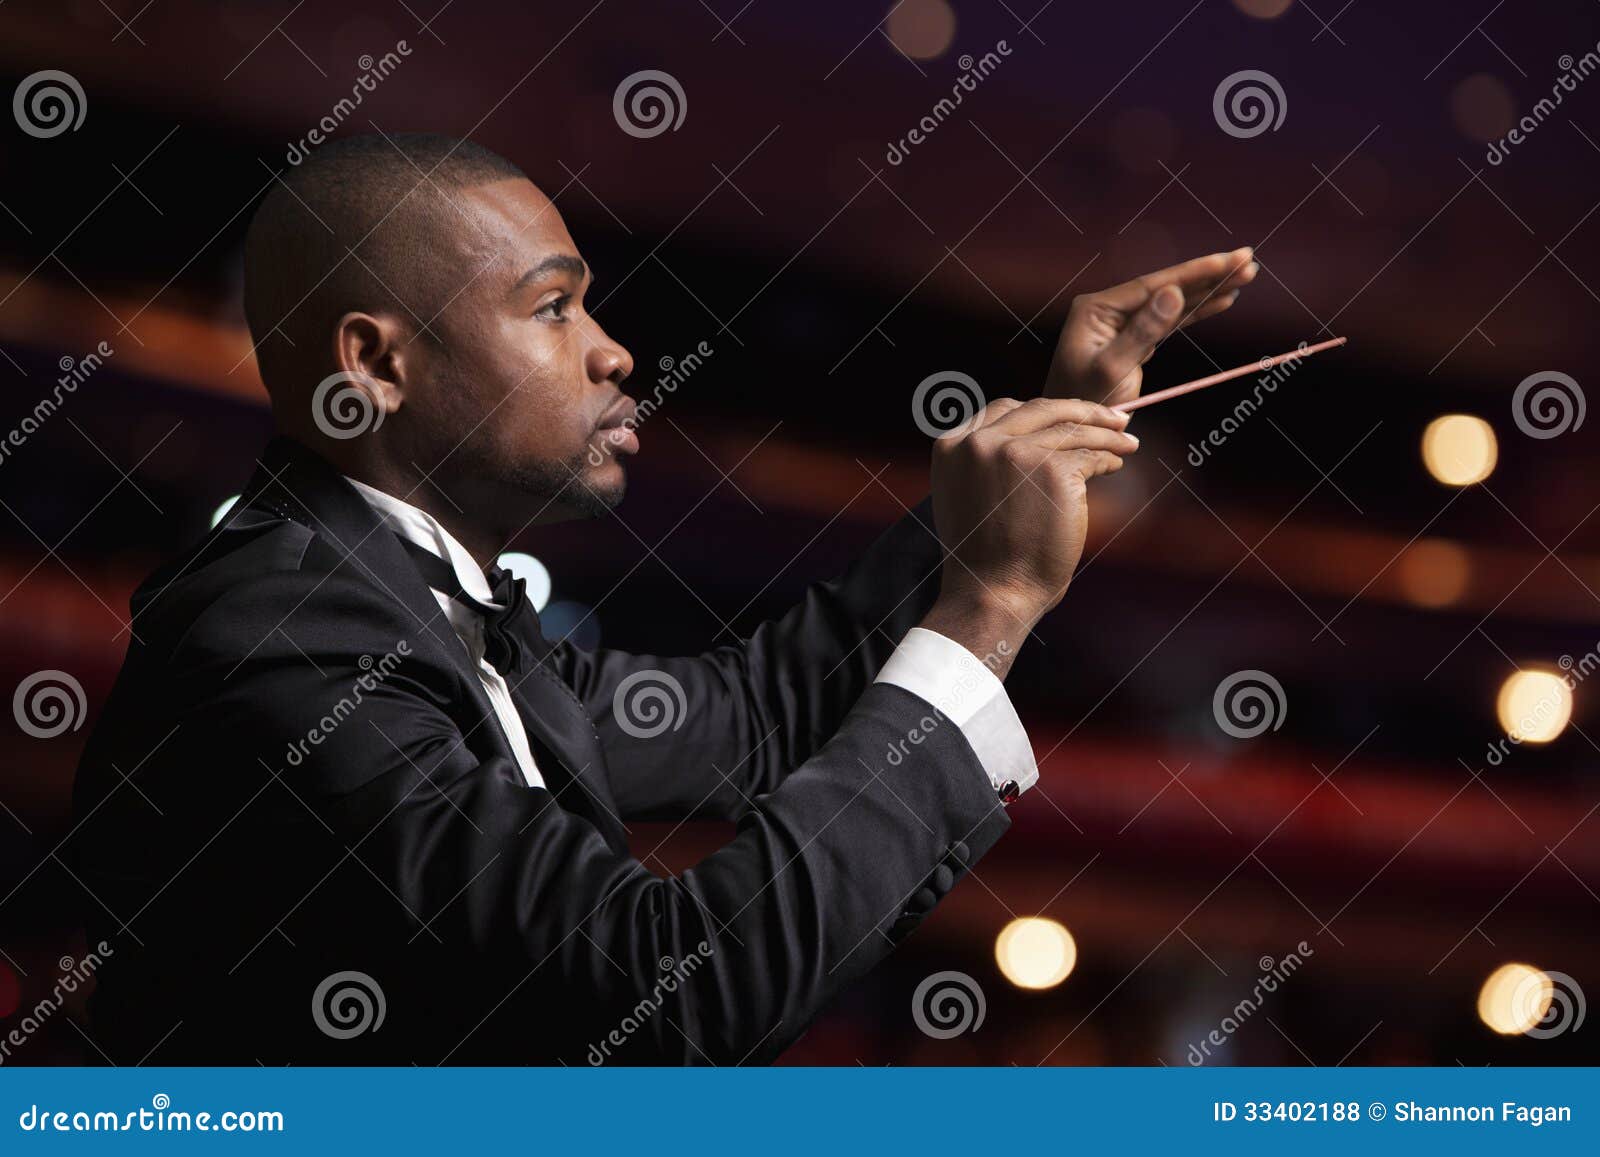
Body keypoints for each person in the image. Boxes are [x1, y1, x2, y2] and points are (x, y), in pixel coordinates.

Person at [71, 133, 1256, 1064]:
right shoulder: (281, 634)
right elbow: (664, 997)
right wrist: (985, 611)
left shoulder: (420, 605)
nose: (614, 351)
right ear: (377, 365)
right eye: (553, 307)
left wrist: (1054, 421)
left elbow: (756, 713)